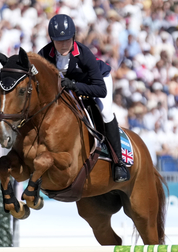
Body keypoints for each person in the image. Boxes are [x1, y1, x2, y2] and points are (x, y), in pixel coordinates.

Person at [38, 14, 129, 182]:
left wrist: (75, 86)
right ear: (52, 40)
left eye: (67, 40)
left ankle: (119, 163)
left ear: (73, 37)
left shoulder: (84, 54)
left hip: (98, 82)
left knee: (106, 113)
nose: (64, 45)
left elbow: (100, 89)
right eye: (59, 41)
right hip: (69, 88)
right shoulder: (44, 54)